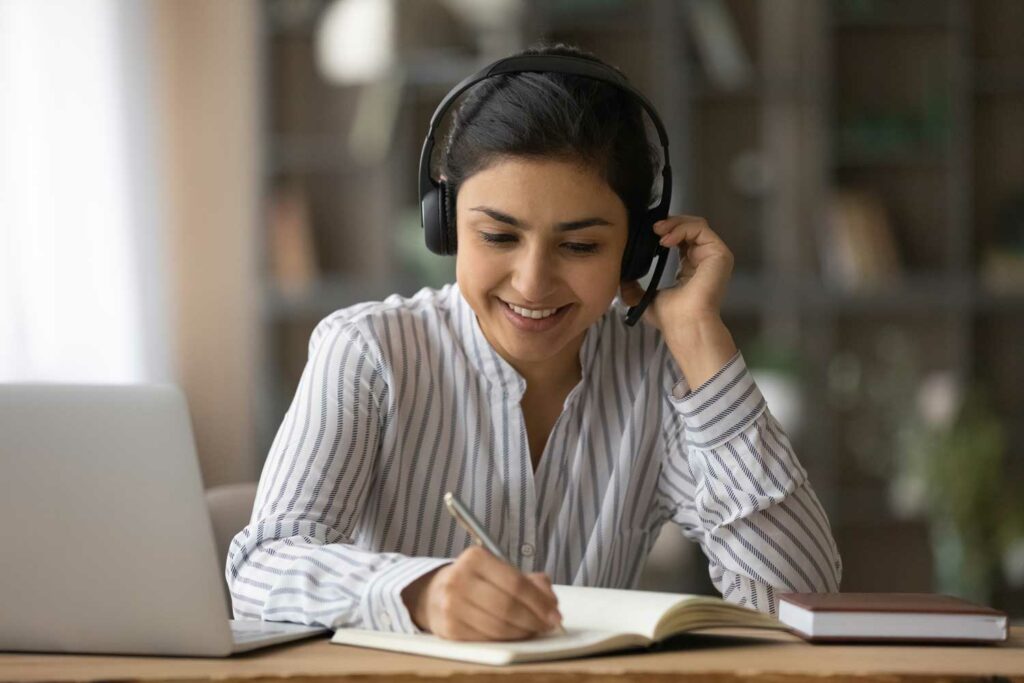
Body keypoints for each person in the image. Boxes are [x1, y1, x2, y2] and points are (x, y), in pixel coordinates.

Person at [227, 43, 842, 642]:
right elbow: (262, 569)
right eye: (497, 236)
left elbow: (795, 595)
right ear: (445, 225)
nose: (532, 282)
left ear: (637, 249)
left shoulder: (662, 376)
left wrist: (701, 340)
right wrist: (423, 594)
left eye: (580, 247)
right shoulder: (368, 352)